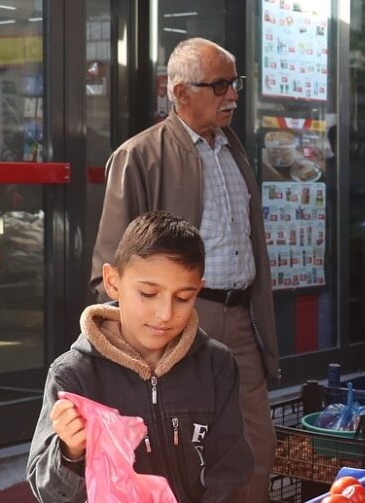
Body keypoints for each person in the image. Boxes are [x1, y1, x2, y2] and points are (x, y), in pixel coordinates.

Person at [91, 37, 278, 501]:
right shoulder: (140, 156)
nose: (232, 95)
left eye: (234, 83)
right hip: (177, 320)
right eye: (219, 85)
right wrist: (131, 343)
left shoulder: (233, 151)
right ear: (179, 92)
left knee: (255, 446)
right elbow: (108, 270)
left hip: (241, 317)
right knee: (182, 452)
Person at [28, 211, 253, 502]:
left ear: (198, 289)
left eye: (183, 298)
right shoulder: (73, 374)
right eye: (148, 293)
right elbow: (47, 491)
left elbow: (232, 469)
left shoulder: (216, 365)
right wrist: (70, 452)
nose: (165, 313)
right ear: (112, 281)